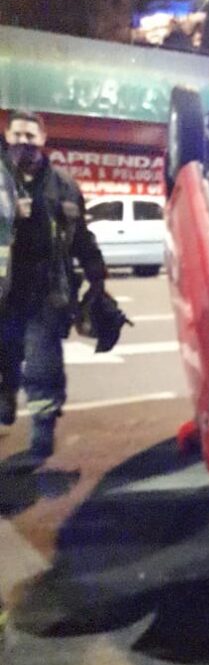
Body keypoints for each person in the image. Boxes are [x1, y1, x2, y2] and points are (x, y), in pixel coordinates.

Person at [0, 110, 107, 460]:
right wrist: (9, 216)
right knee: (5, 360)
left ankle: (42, 432)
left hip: (47, 292)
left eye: (31, 136)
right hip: (3, 294)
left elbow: (82, 238)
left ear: (43, 140)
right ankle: (5, 400)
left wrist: (96, 276)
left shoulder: (64, 185)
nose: (24, 142)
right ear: (7, 135)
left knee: (44, 364)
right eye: (18, 134)